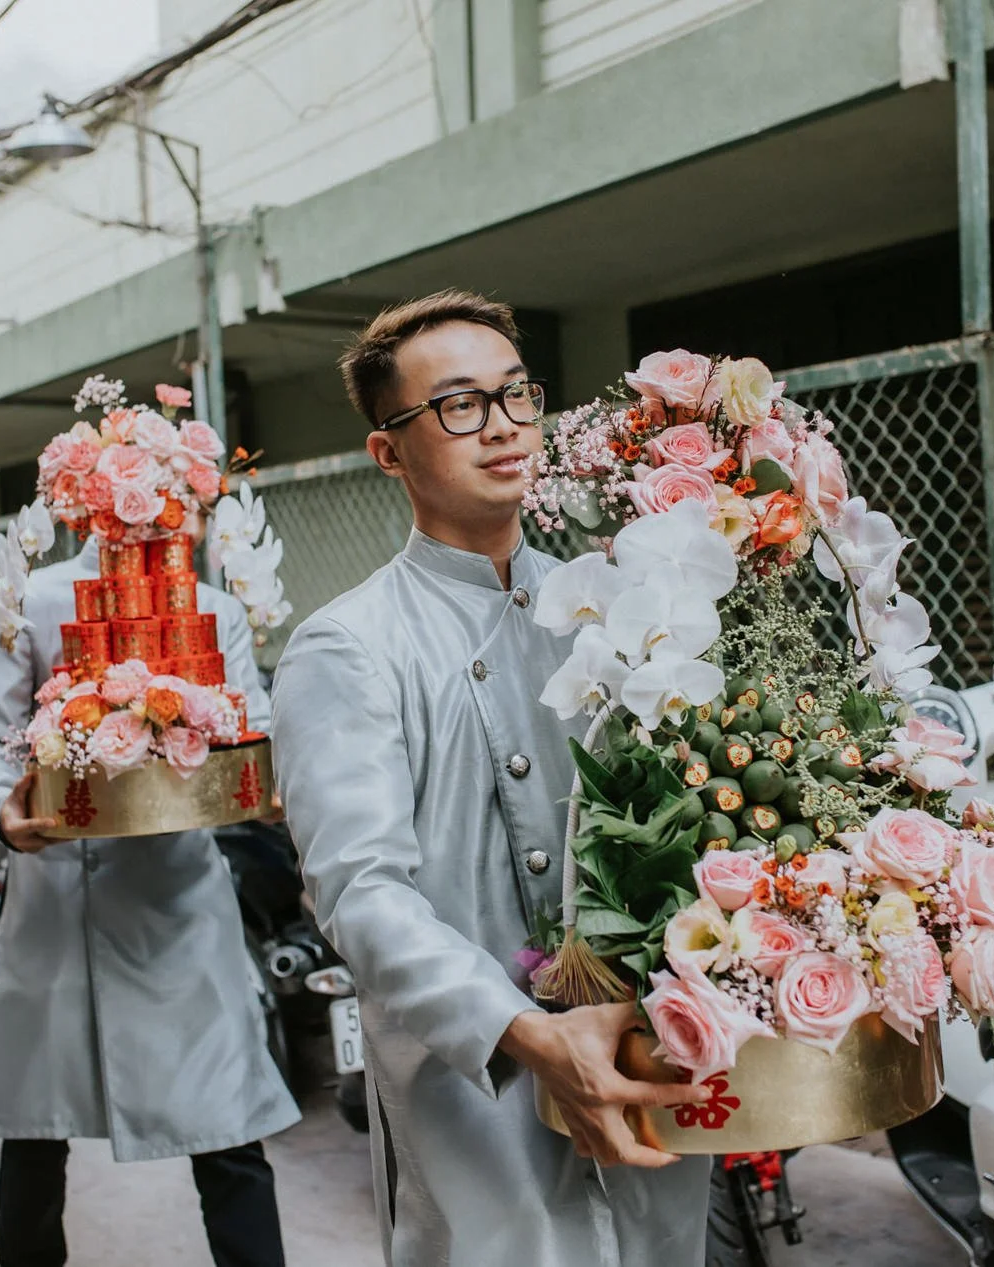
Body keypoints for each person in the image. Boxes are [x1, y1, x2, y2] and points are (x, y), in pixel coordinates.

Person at [271, 292, 710, 1267]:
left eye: (516, 395)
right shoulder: (346, 644)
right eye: (461, 405)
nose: (505, 425)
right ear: (390, 452)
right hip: (472, 1076)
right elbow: (358, 890)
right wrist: (519, 1027)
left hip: (639, 1049)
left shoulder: (605, 608)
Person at [0, 517, 300, 1267]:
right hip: (55, 897)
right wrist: (3, 812)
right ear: (90, 500)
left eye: (179, 496)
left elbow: (257, 726)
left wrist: (273, 786)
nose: (156, 512)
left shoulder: (218, 607)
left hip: (180, 898)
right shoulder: (25, 602)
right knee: (35, 1134)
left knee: (229, 1128)